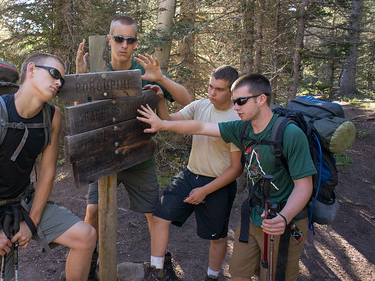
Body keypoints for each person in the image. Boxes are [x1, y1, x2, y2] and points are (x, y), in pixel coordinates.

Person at [137, 73, 316, 281]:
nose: (236, 106)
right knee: (238, 274)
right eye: (234, 101)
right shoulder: (242, 128)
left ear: (261, 99)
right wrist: (163, 124)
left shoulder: (290, 134)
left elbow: (304, 186)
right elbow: (201, 126)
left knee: (275, 276)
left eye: (241, 101)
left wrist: (284, 217)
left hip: (283, 218)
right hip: (254, 214)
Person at [0, 53, 97, 281]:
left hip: (21, 202)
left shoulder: (52, 116)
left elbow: (48, 172)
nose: (59, 82)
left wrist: (31, 222)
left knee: (85, 236)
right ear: (31, 69)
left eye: (62, 79)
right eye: (54, 74)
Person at [74, 15, 193, 278]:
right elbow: (81, 113)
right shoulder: (96, 71)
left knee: (154, 214)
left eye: (130, 39)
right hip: (104, 157)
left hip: (139, 158)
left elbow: (187, 100)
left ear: (136, 42)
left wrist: (162, 79)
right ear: (110, 39)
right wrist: (82, 78)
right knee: (92, 212)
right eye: (118, 38)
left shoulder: (145, 72)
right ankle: (88, 264)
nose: (124, 45)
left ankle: (160, 265)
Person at [144, 66, 242, 281]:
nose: (212, 93)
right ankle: (156, 271)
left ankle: (212, 276)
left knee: (217, 236)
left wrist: (205, 191)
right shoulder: (200, 105)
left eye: (219, 89)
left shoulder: (238, 118)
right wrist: (161, 99)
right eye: (210, 86)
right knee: (160, 216)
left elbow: (236, 168)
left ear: (232, 92)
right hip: (190, 175)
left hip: (219, 183)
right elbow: (168, 120)